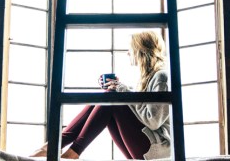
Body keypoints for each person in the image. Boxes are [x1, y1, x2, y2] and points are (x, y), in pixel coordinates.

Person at [31, 31, 171, 160]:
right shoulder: (146, 78)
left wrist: (122, 91)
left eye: (130, 48)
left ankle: (72, 152)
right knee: (106, 97)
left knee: (111, 98)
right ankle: (53, 146)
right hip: (145, 144)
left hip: (155, 148)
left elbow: (153, 121)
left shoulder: (161, 77)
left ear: (140, 50)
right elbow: (138, 108)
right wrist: (121, 89)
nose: (128, 53)